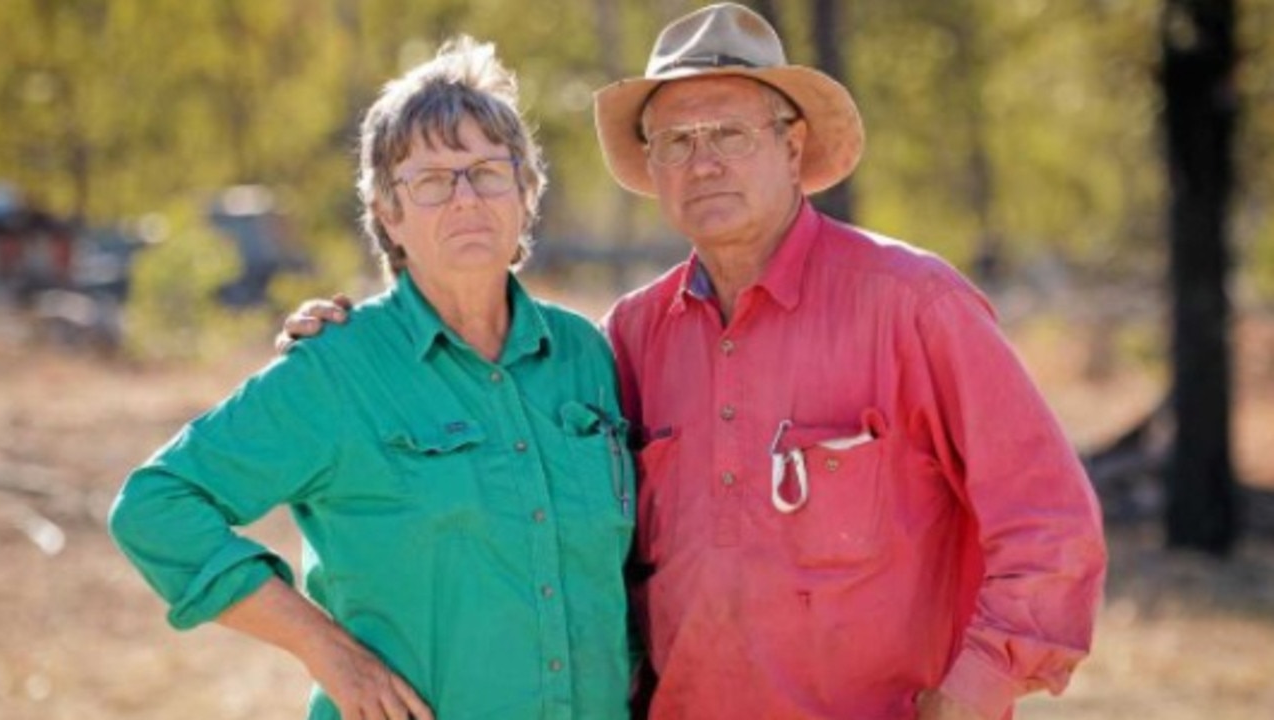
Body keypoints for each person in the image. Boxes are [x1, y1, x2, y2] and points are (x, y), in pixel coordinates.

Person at [283, 5, 1107, 719]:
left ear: (792, 148)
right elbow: (514, 464)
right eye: (674, 140)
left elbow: (1049, 526)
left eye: (728, 133)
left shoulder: (913, 306)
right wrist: (357, 346)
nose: (702, 161)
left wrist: (972, 692)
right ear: (651, 167)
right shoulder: (633, 337)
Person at [110, 37, 635, 720]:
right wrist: (327, 652)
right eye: (431, 181)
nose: (465, 198)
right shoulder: (336, 368)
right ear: (387, 215)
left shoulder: (585, 357)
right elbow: (156, 506)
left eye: (486, 171)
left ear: (526, 193)